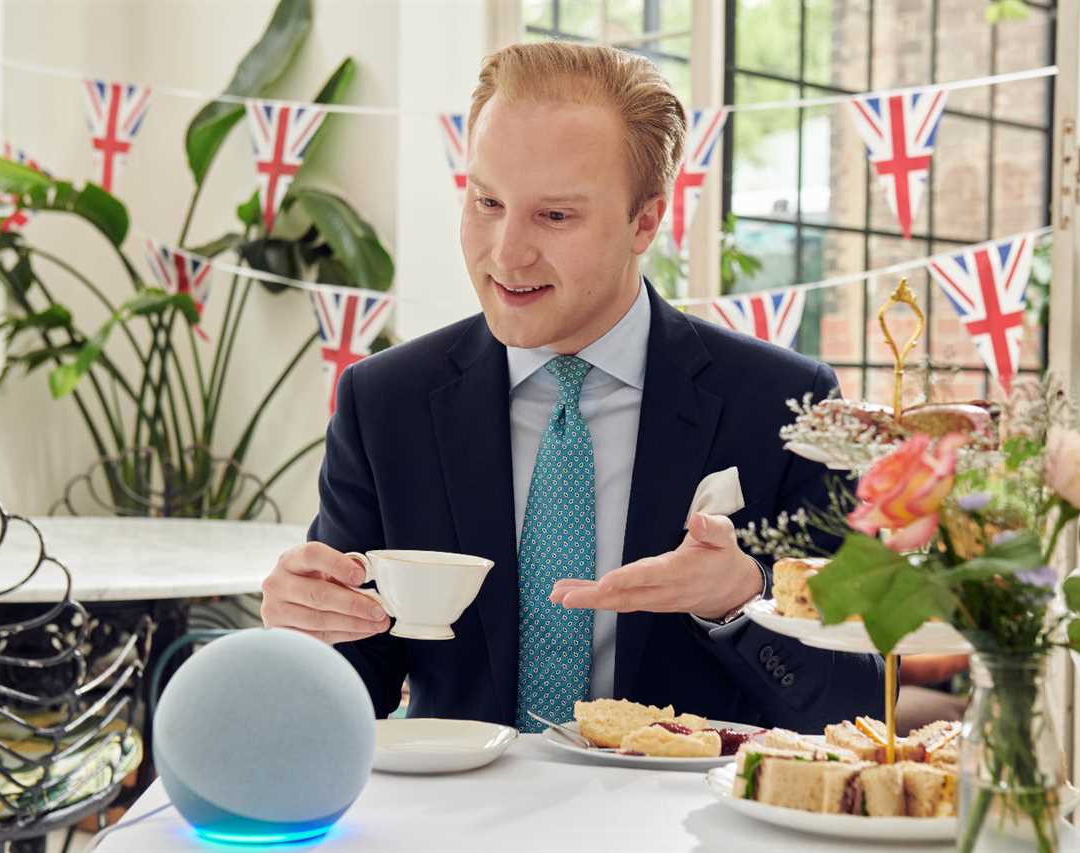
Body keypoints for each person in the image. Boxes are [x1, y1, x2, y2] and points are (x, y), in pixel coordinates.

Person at [261, 41, 883, 733]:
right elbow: (353, 689)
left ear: (646, 219)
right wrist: (306, 635)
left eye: (555, 216)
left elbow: (855, 704)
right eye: (487, 201)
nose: (507, 253)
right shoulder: (385, 403)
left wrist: (742, 600)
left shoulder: (786, 407)